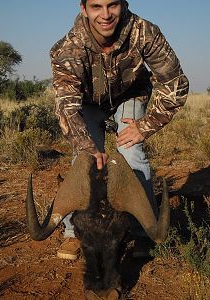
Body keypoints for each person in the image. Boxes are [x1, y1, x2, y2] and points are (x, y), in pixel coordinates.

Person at [50, 0, 189, 260]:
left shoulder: (144, 32)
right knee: (82, 160)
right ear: (83, 8)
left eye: (112, 5)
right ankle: (71, 232)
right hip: (88, 103)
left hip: (130, 97)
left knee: (133, 154)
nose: (105, 15)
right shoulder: (67, 48)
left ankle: (143, 231)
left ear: (123, 4)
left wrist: (145, 126)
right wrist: (87, 146)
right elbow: (67, 106)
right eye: (96, 6)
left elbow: (175, 82)